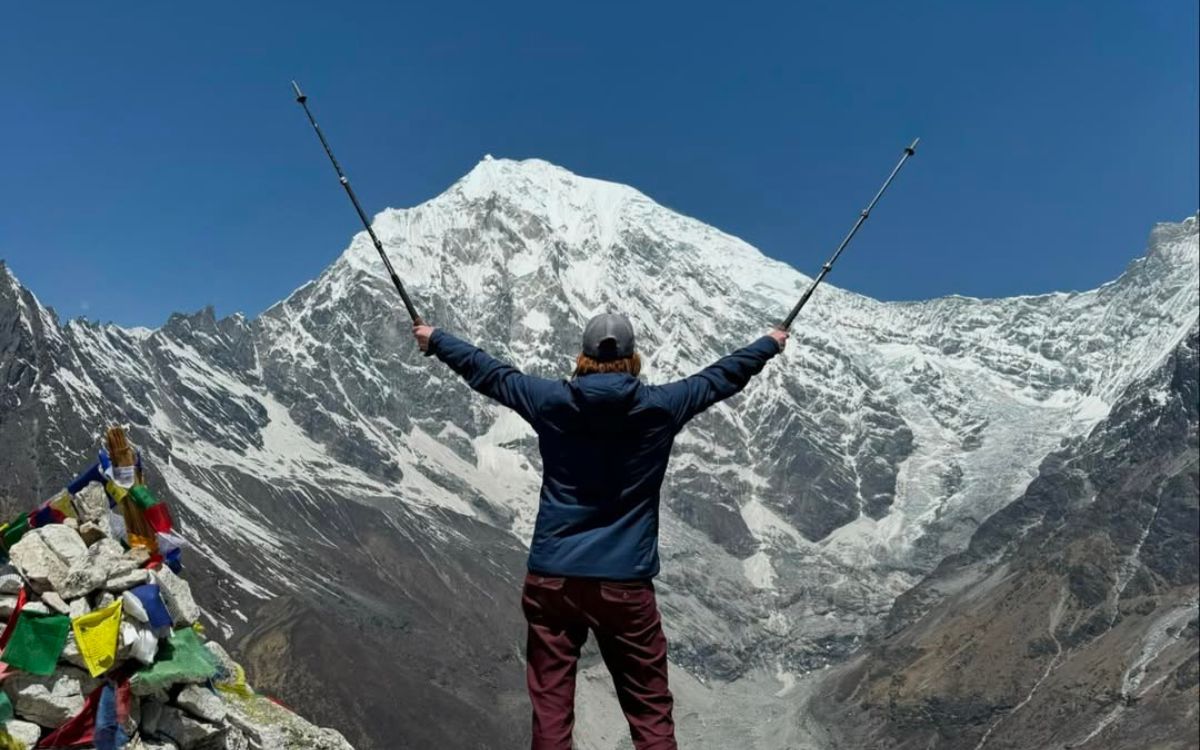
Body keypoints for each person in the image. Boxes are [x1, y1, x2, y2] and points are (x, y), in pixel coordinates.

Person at [413, 313, 787, 750]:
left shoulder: (550, 401)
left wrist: (435, 339)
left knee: (551, 710)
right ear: (633, 359)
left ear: (583, 357)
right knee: (649, 712)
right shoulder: (663, 406)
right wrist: (768, 343)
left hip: (553, 580)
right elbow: (722, 376)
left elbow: (489, 372)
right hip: (625, 585)